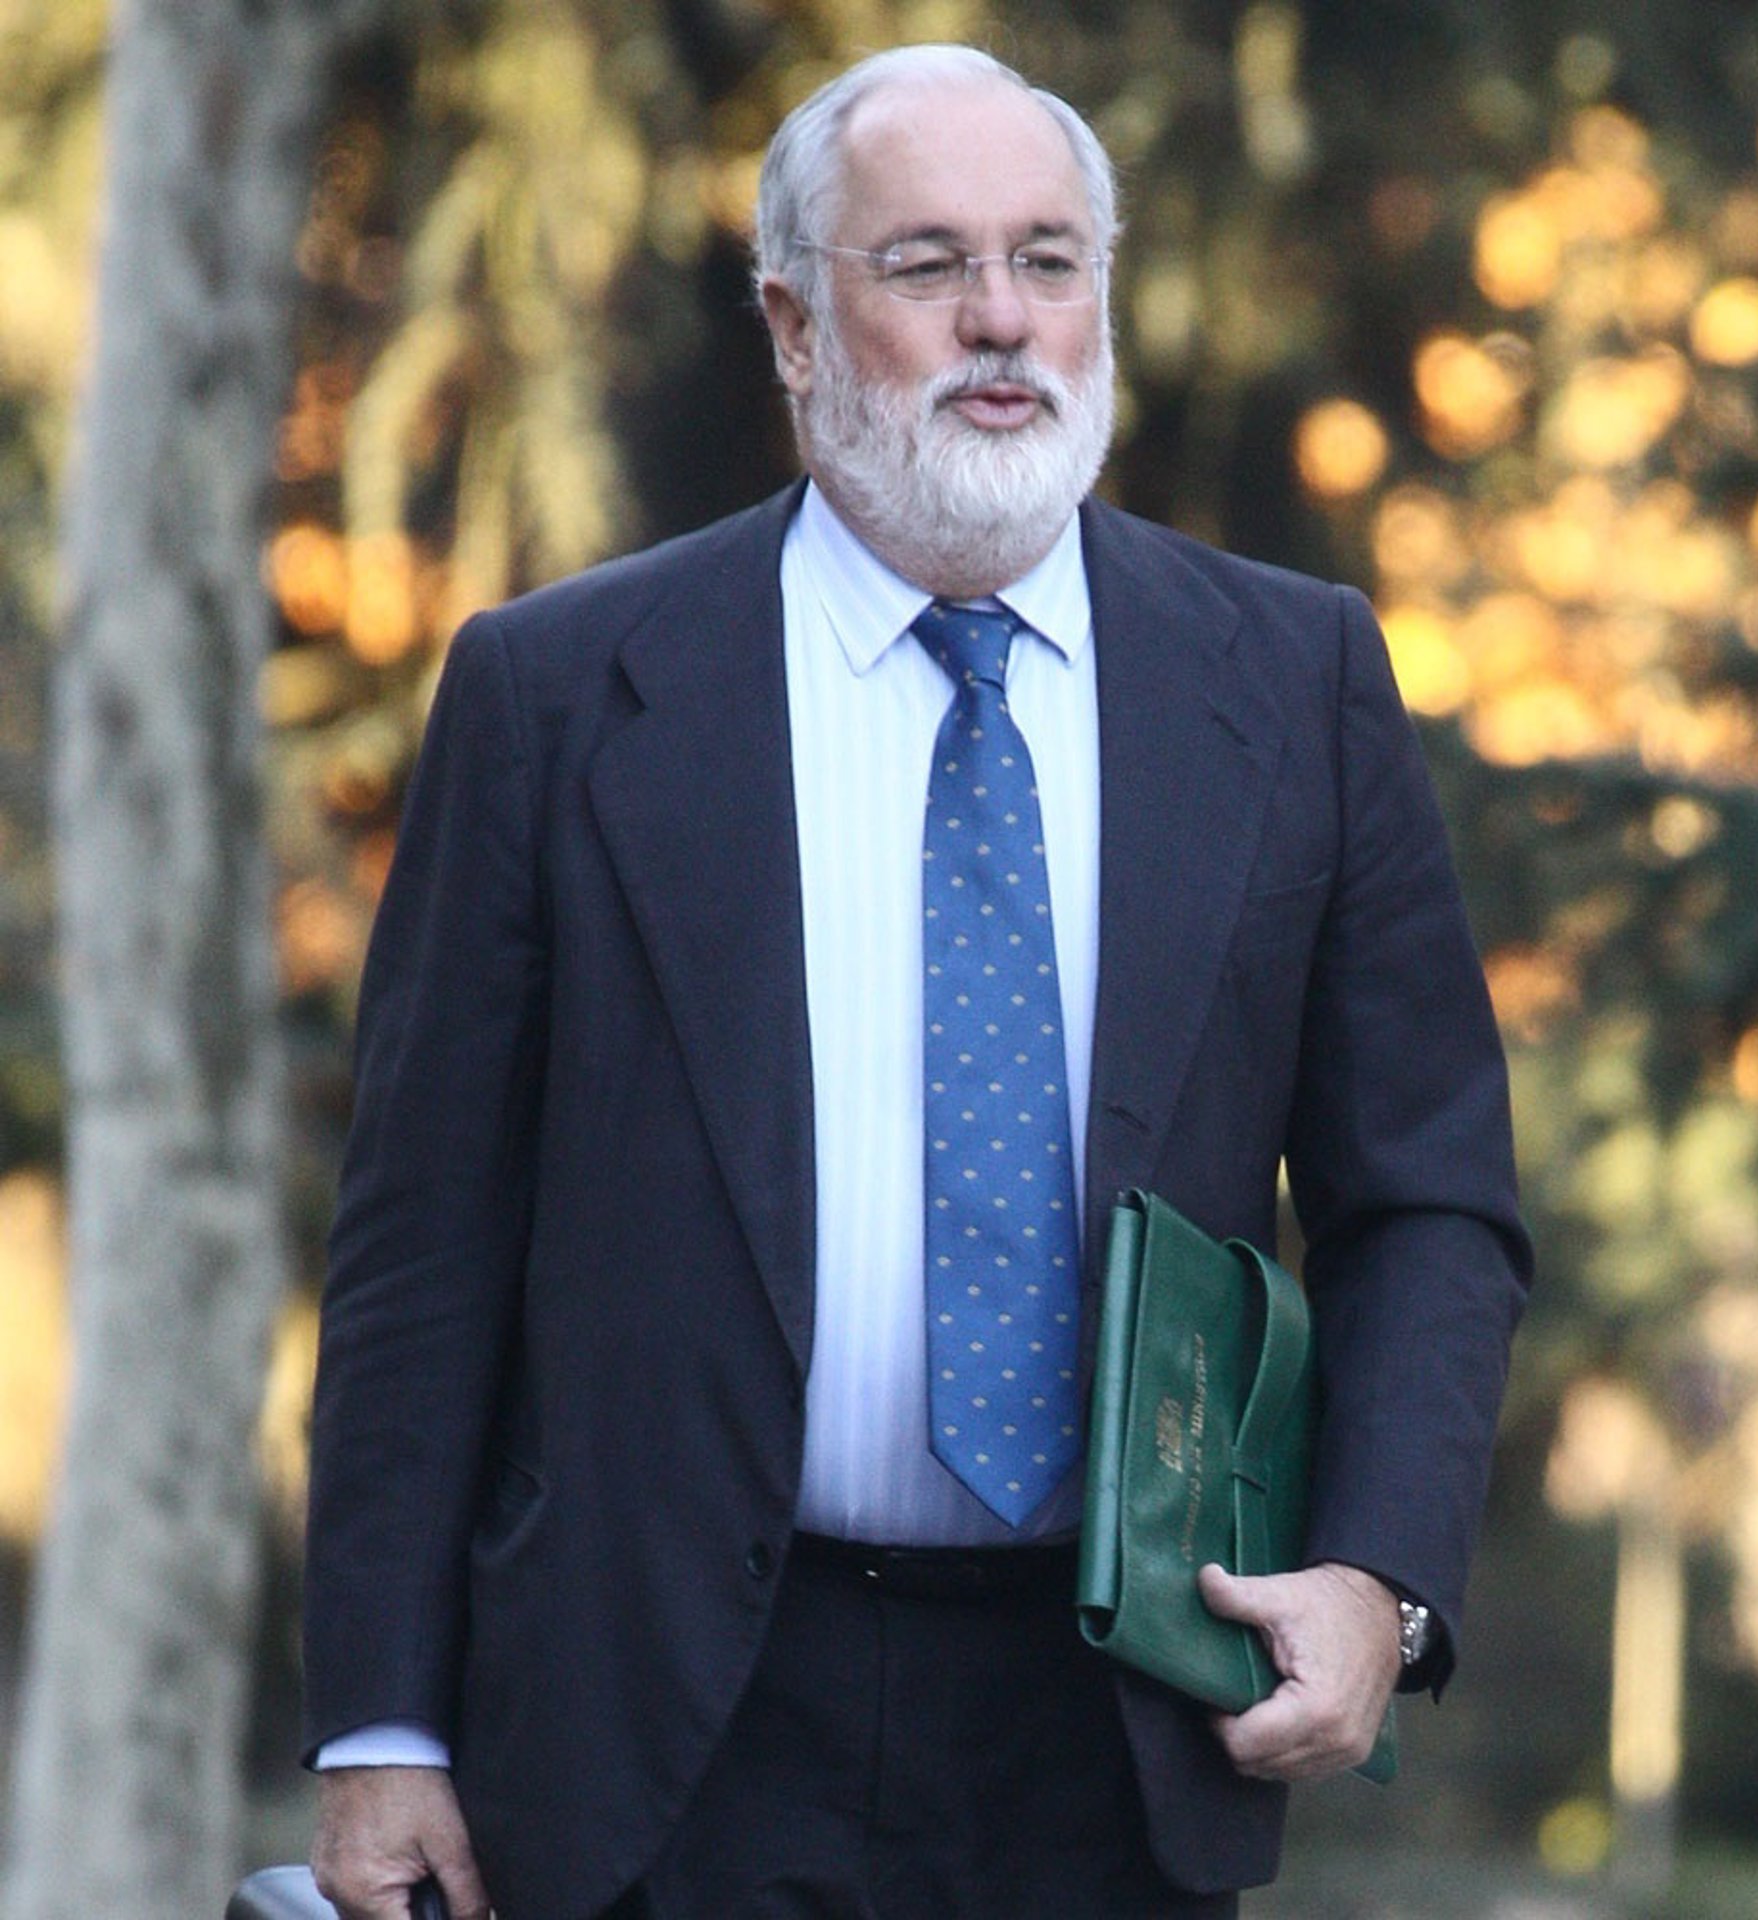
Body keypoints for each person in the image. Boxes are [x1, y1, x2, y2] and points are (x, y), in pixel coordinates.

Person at [304, 42, 1531, 1920]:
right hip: (664, 1733)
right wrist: (381, 1727)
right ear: (795, 326)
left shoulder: (1297, 684)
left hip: (1123, 1723)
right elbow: (423, 1239)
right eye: (928, 263)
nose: (1001, 319)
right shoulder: (558, 697)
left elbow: (1430, 1198)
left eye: (1048, 261)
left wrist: (1379, 1580)